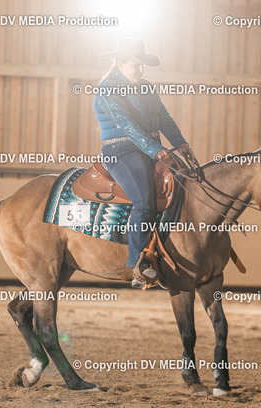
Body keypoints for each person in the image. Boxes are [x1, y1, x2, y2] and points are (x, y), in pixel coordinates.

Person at [93, 38, 190, 288]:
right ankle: (138, 264)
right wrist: (156, 150)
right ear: (120, 63)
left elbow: (163, 117)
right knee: (144, 201)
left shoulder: (145, 87)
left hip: (150, 148)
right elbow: (127, 125)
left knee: (185, 185)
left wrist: (180, 143)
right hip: (121, 150)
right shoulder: (107, 90)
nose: (140, 69)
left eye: (142, 64)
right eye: (135, 64)